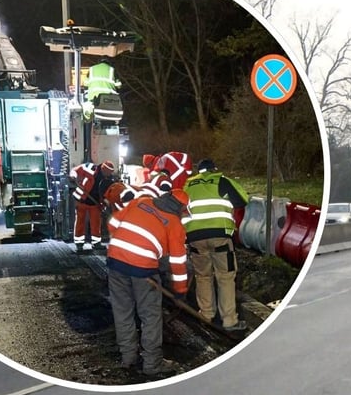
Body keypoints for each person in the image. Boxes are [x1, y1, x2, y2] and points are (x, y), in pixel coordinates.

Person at [106, 188, 191, 377]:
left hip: (115, 260)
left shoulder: (141, 202)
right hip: (143, 269)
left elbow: (113, 224)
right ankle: (152, 364)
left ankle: (128, 358)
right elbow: (178, 262)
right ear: (181, 208)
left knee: (122, 312)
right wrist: (180, 291)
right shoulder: (175, 224)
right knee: (150, 316)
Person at [182, 159, 250, 331]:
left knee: (203, 276)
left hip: (195, 237)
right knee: (225, 277)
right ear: (213, 169)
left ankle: (206, 315)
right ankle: (229, 320)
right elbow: (242, 200)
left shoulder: (188, 184)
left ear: (199, 171)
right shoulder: (222, 180)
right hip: (219, 236)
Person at [71, 160, 115, 252]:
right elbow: (75, 170)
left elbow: (107, 193)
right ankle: (79, 244)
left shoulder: (108, 180)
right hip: (82, 200)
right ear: (103, 169)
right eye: (107, 173)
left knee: (96, 223)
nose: (108, 175)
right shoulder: (89, 168)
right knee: (80, 221)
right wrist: (73, 176)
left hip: (95, 204)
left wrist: (105, 203)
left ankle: (96, 243)